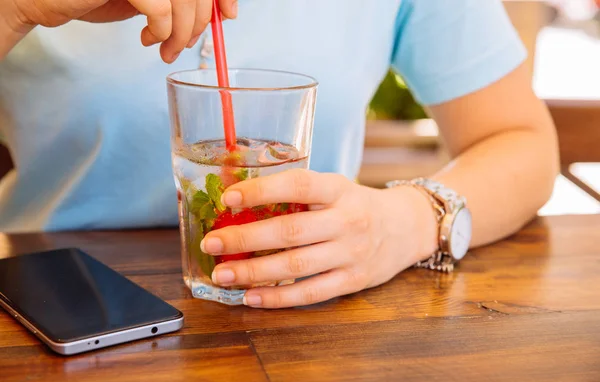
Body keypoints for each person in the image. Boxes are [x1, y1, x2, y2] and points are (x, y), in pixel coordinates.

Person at [0, 0, 559, 308]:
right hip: (48, 304)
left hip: (307, 310)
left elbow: (521, 142)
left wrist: (407, 220)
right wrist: (16, 11)